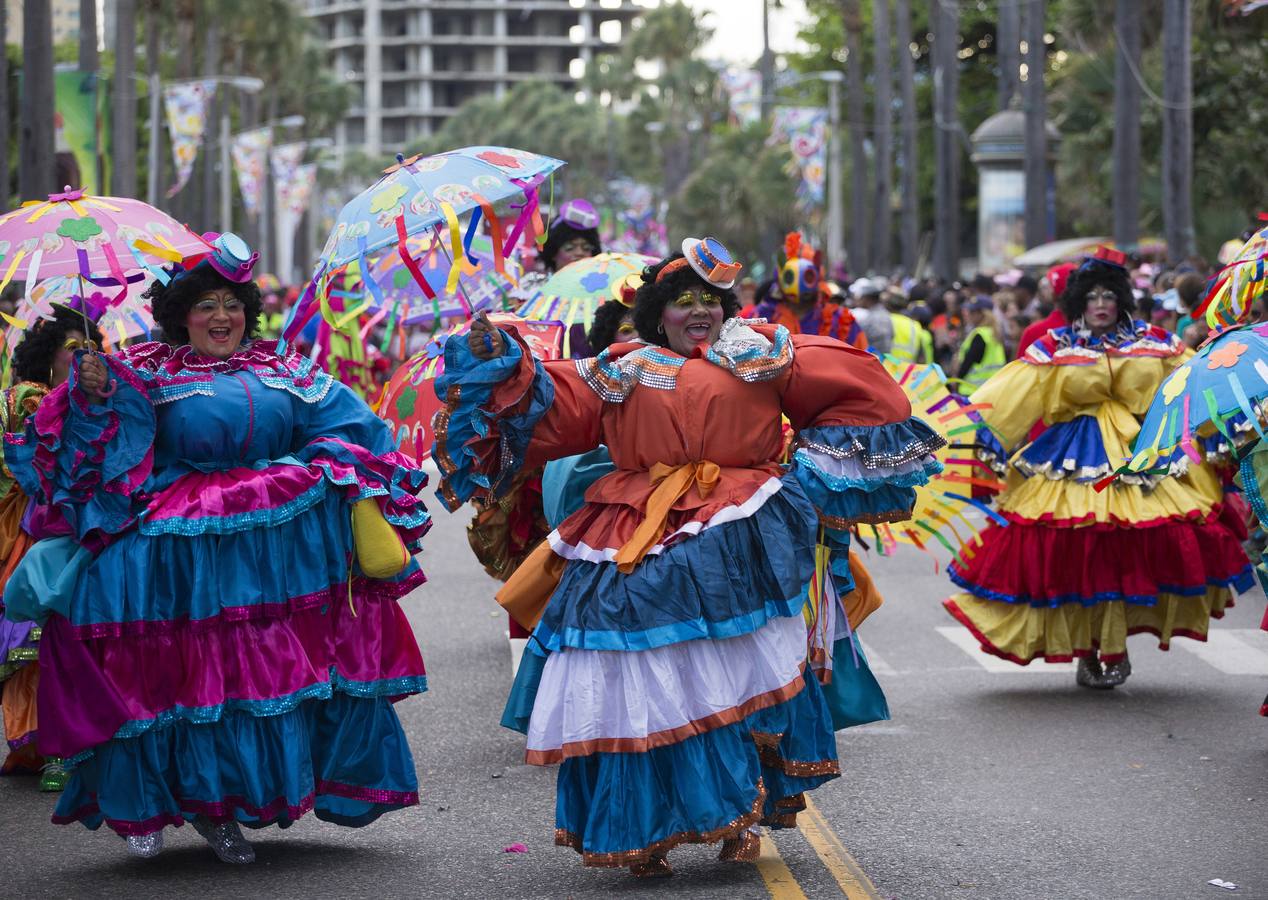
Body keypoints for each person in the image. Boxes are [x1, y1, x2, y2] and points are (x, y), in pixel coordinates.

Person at [435, 237, 942, 876]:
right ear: (657, 314)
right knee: (635, 676)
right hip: (632, 527)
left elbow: (856, 389)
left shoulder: (760, 353)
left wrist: (811, 472)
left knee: (739, 671)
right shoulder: (621, 367)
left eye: (710, 299)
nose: (698, 310)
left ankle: (740, 814)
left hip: (742, 530)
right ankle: (642, 823)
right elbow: (556, 405)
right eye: (682, 301)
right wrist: (504, 363)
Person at [1, 233, 432, 861]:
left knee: (282, 670)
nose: (221, 317)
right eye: (205, 304)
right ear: (180, 314)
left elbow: (350, 424)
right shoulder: (144, 368)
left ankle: (268, 789)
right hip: (183, 551)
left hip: (281, 548)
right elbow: (93, 453)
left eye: (231, 302)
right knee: (192, 677)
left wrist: (336, 465)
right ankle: (202, 806)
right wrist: (92, 391)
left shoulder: (282, 363)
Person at [941, 247, 1252, 687]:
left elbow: (1194, 384)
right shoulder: (1056, 349)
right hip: (1070, 457)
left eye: (1109, 295)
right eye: (1092, 297)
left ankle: (1116, 644)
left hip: (1140, 455)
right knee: (1075, 551)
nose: (1101, 304)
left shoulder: (1156, 343)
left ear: (1121, 299)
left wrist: (1236, 406)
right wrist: (956, 429)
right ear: (1078, 302)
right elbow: (1008, 396)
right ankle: (1087, 651)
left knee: (1132, 550)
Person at [0, 306, 103, 790]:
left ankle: (80, 742)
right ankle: (48, 746)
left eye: (90, 345)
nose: (83, 353)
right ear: (48, 353)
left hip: (85, 528)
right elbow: (30, 462)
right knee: (41, 642)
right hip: (34, 532)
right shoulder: (30, 397)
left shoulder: (96, 398)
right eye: (72, 345)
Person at [753, 234, 868, 350]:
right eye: (790, 277)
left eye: (808, 277)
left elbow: (862, 359)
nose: (798, 283)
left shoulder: (841, 321)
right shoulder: (763, 318)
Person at [954, 296, 1006, 394]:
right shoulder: (994, 333)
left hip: (971, 390)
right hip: (990, 390)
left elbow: (968, 362)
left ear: (982, 314)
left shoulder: (980, 335)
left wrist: (957, 380)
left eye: (973, 312)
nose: (969, 315)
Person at [849, 277, 893, 354]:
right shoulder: (885, 315)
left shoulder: (870, 318)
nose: (859, 300)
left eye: (861, 298)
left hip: (872, 359)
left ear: (868, 299)